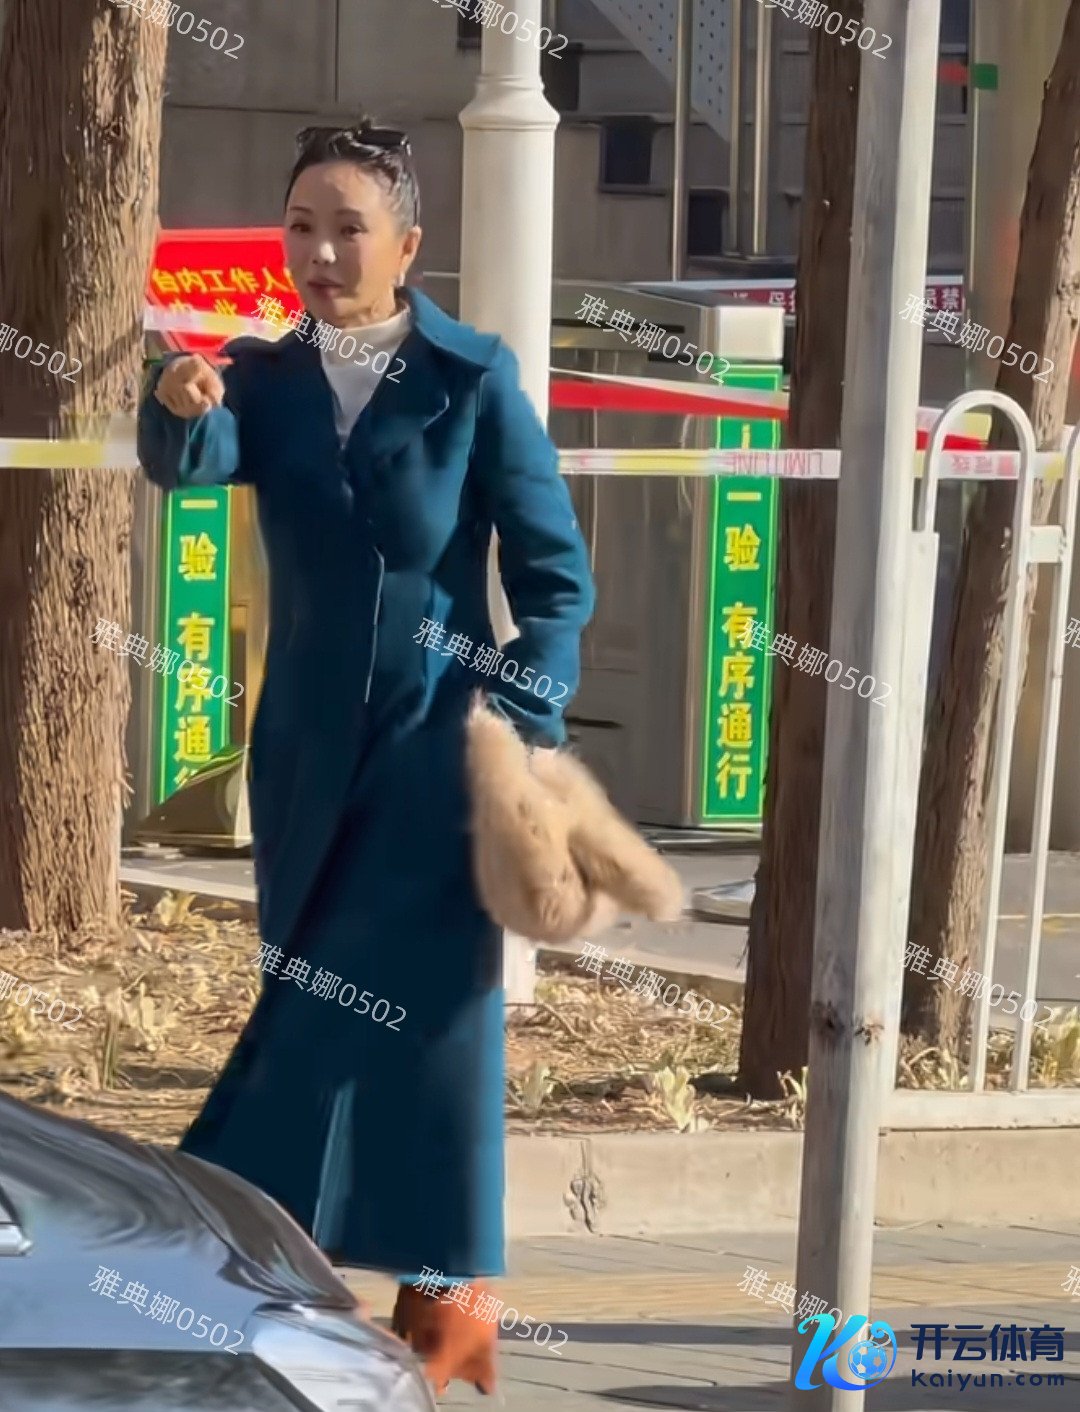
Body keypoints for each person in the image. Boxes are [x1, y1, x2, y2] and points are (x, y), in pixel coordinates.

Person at [136, 119, 595, 1397]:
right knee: (307, 1010)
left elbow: (555, 579)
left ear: (408, 245)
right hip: (302, 761)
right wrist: (176, 400)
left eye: (349, 228)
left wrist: (522, 721)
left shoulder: (471, 380)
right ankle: (284, 1277)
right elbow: (192, 461)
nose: (322, 253)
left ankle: (439, 1304)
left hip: (439, 754)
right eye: (302, 227)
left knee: (438, 1028)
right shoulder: (262, 378)